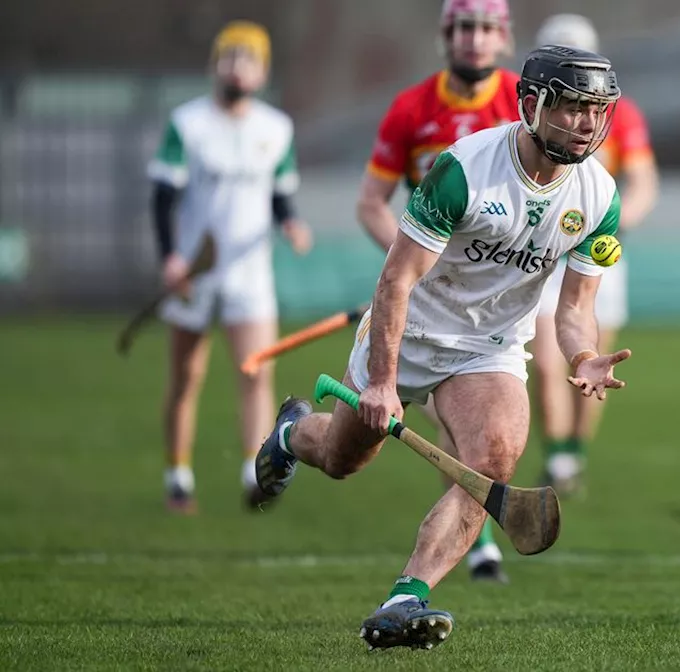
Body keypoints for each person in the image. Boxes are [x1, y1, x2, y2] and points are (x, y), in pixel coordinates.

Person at [254, 45, 629, 651]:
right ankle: (295, 433)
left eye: (597, 111)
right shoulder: (466, 170)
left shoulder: (598, 197)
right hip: (410, 332)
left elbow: (576, 310)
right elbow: (396, 280)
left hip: (491, 348)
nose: (587, 124)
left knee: (494, 459)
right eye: (574, 108)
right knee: (345, 458)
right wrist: (381, 381)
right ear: (533, 105)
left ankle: (407, 596)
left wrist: (583, 355)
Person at [355, 0, 520, 584]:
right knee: (348, 454)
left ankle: (471, 546)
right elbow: (372, 202)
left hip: (498, 297)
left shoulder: (527, 102)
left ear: (503, 39)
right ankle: (297, 438)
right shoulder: (411, 109)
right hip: (425, 295)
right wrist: (406, 267)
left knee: (485, 428)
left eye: (486, 29)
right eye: (464, 28)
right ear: (446, 36)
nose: (475, 41)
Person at [147, 20, 311, 515]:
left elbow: (281, 194)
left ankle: (252, 470)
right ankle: (178, 475)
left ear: (262, 72)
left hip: (249, 272)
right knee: (185, 378)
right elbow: (163, 197)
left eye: (249, 59)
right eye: (229, 57)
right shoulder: (187, 123)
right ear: (214, 64)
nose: (237, 67)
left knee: (256, 371)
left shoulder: (276, 128)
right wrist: (170, 258)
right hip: (196, 272)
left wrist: (292, 224)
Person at [528, 13, 660, 496]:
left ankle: (573, 456)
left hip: (596, 251)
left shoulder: (620, 114)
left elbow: (643, 179)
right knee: (545, 360)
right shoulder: (529, 112)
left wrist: (620, 221)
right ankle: (557, 455)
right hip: (542, 248)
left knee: (594, 357)